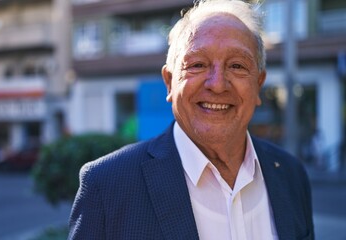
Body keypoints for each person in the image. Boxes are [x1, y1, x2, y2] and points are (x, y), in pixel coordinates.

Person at [68, 0, 314, 239]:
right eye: (197, 64)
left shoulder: (290, 174)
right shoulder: (107, 185)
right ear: (169, 82)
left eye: (237, 66)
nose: (217, 84)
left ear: (258, 84)